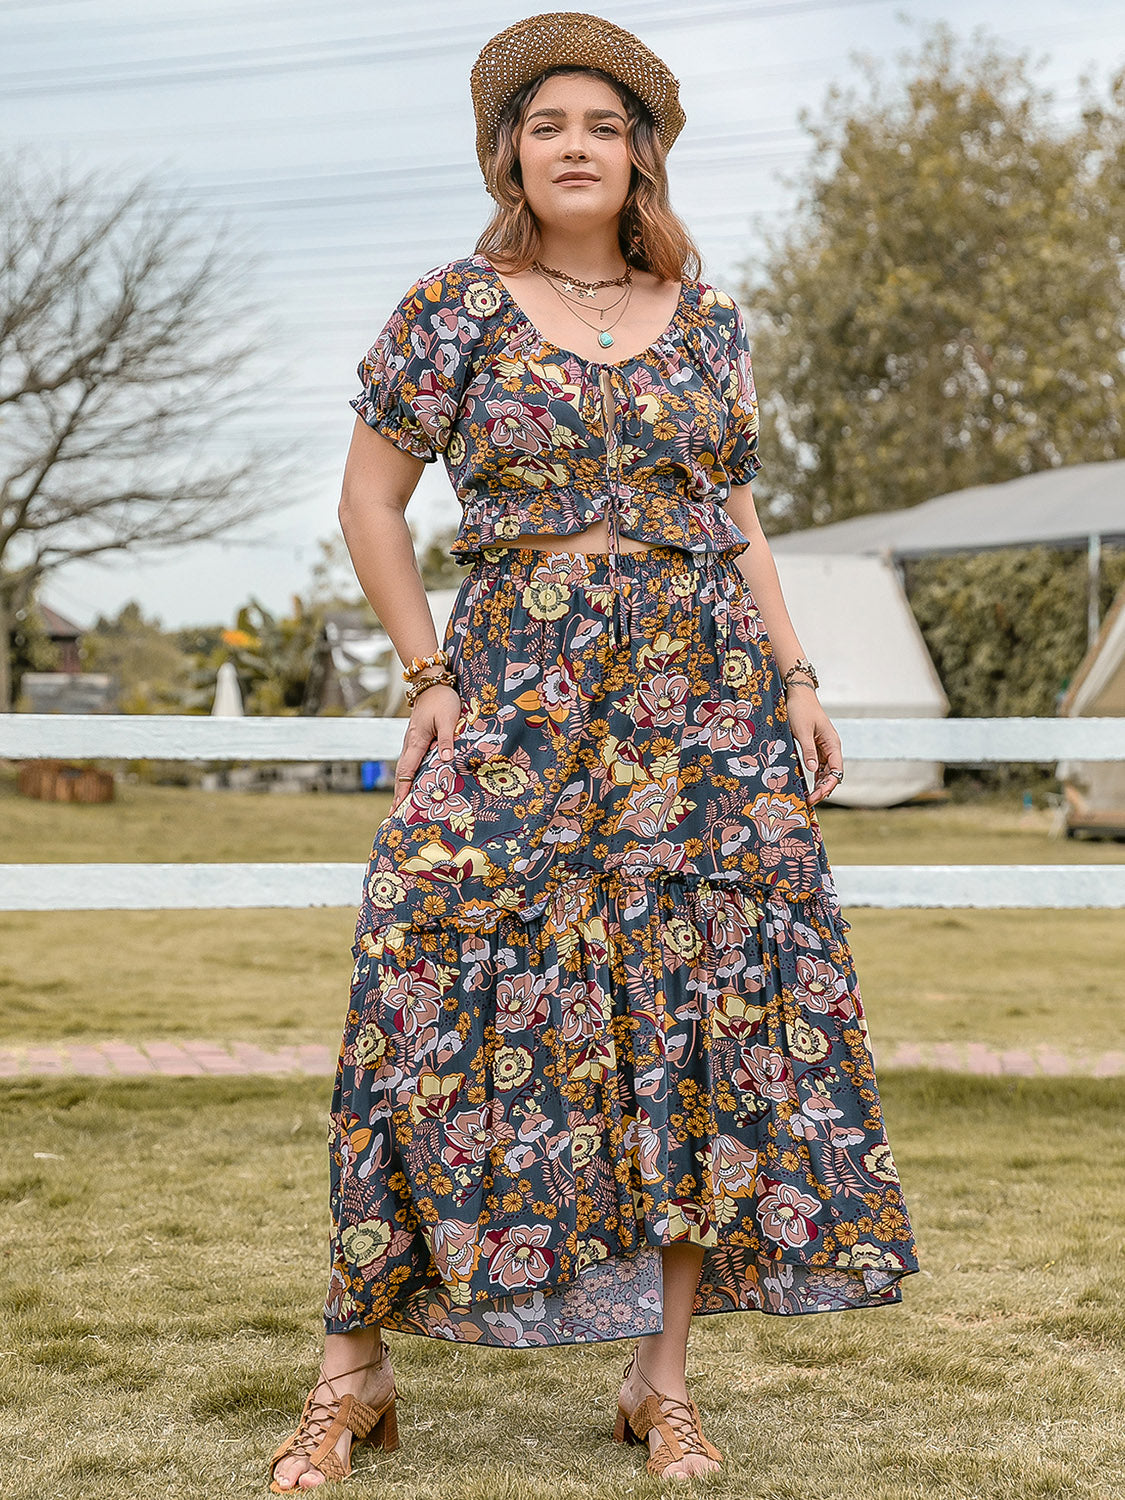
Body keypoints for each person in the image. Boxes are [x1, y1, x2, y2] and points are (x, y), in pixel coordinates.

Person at [268, 11, 920, 1491]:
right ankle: (349, 1369)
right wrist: (427, 671)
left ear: (642, 156)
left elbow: (736, 513)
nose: (575, 145)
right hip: (516, 688)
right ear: (510, 150)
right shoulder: (449, 306)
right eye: (548, 123)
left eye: (603, 126)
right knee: (419, 985)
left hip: (701, 708)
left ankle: (661, 1385)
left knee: (690, 1016)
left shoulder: (707, 318)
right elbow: (372, 502)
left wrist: (798, 676)